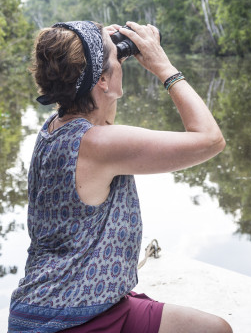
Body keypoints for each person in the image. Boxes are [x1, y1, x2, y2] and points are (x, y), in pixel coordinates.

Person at [8, 20, 232, 333]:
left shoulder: (55, 127)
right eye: (117, 61)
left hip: (56, 304)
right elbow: (210, 139)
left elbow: (101, 116)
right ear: (100, 79)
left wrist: (109, 58)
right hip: (68, 321)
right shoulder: (98, 145)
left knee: (213, 328)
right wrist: (163, 67)